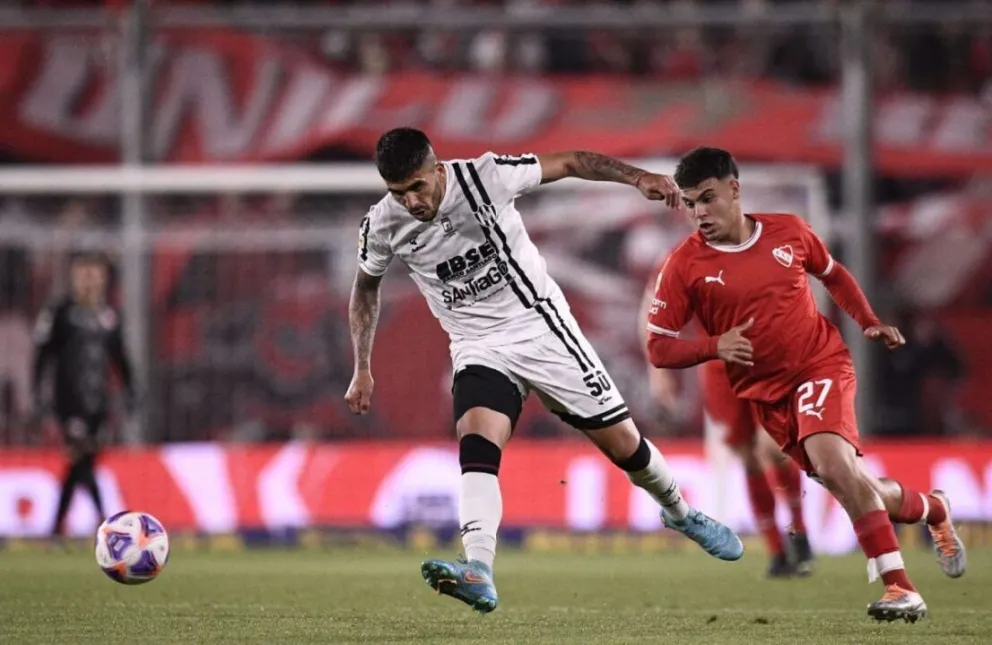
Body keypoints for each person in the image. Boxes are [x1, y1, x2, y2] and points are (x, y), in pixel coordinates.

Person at [345, 127, 743, 614]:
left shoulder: (487, 177)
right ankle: (479, 568)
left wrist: (637, 178)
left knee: (626, 447)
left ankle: (680, 512)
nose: (410, 201)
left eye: (416, 187)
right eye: (398, 192)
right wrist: (362, 366)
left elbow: (572, 160)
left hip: (542, 331)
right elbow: (365, 287)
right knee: (476, 441)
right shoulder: (381, 225)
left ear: (437, 169)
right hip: (478, 345)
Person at [645, 147, 965, 622]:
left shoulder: (789, 231)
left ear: (734, 189)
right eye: (690, 203)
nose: (699, 213)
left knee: (835, 467)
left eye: (707, 198)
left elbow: (833, 275)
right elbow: (658, 348)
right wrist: (713, 347)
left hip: (819, 367)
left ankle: (900, 587)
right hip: (766, 397)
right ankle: (934, 508)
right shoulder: (684, 264)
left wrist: (868, 321)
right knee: (856, 484)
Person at [639, 271, 812, 577]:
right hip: (718, 369)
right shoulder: (678, 260)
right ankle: (777, 552)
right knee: (747, 456)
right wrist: (658, 371)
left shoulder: (752, 249)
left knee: (773, 447)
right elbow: (651, 311)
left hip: (764, 359)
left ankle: (799, 531)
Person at [32, 252, 135, 539]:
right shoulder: (59, 312)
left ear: (104, 278)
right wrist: (38, 393)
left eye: (95, 273)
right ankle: (104, 521)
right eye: (83, 273)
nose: (89, 279)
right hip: (68, 402)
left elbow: (120, 358)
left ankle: (56, 528)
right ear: (74, 277)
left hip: (98, 403)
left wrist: (130, 390)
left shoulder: (109, 316)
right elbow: (42, 356)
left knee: (82, 463)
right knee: (80, 455)